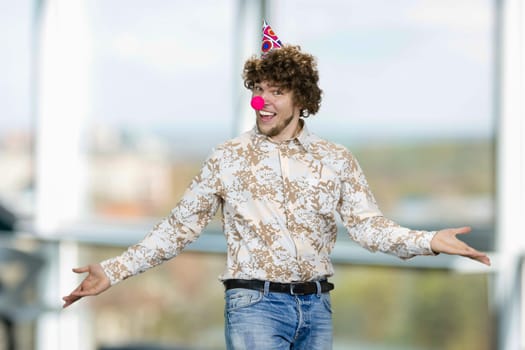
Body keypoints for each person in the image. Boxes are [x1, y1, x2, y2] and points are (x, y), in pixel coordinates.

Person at [62, 21, 490, 350]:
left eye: (276, 91)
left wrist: (430, 239)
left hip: (318, 308)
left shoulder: (335, 159)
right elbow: (178, 229)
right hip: (255, 307)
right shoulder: (227, 158)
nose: (262, 101)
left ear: (302, 98)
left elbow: (368, 228)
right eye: (257, 90)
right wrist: (114, 270)